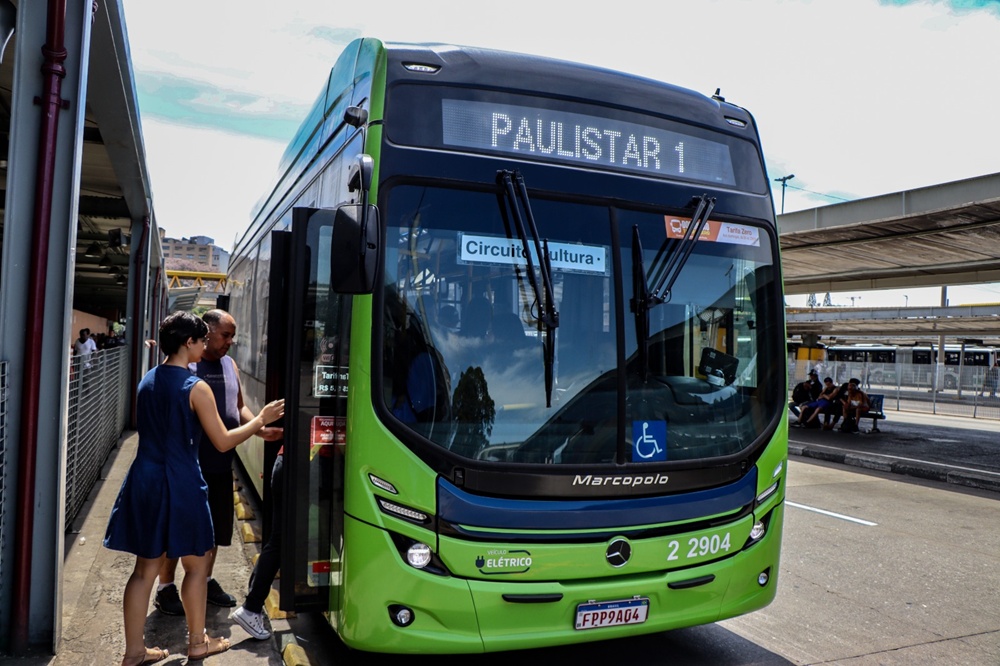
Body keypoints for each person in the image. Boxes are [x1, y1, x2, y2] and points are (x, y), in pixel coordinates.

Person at [103, 311, 284, 664]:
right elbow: (222, 440)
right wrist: (261, 422)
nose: (205, 346)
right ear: (189, 342)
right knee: (198, 568)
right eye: (202, 340)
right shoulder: (194, 387)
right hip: (182, 480)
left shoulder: (149, 379)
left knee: (143, 572)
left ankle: (134, 652)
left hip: (144, 477)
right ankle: (198, 643)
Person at [154, 310, 283, 616]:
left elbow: (237, 407)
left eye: (232, 336)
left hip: (220, 464)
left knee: (213, 531)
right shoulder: (185, 366)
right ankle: (165, 587)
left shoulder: (229, 365)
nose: (230, 342)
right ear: (206, 333)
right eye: (225, 335)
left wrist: (261, 429)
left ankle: (206, 580)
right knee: (178, 530)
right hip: (188, 465)